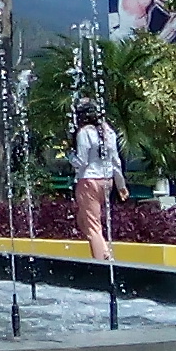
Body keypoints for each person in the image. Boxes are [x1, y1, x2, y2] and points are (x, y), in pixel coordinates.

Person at [71, 99, 126, 261]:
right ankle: (103, 251)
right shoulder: (108, 131)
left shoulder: (84, 133)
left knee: (93, 227)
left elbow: (81, 162)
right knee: (83, 220)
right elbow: (115, 161)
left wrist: (70, 156)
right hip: (107, 181)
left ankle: (103, 260)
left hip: (89, 181)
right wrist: (121, 184)